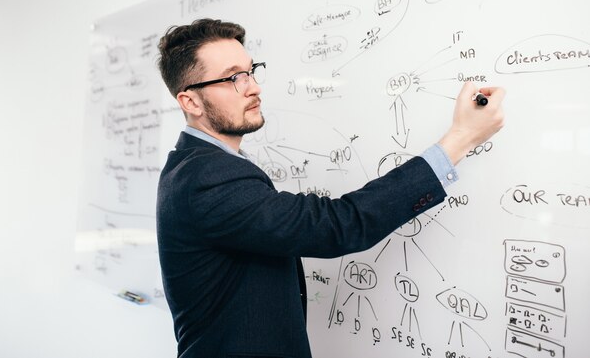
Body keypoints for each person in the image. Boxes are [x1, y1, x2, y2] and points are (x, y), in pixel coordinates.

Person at [156, 18, 505, 358]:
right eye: (234, 77)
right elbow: (336, 225)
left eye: (251, 71)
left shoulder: (197, 166)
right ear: (191, 102)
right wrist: (460, 140)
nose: (253, 87)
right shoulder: (206, 176)